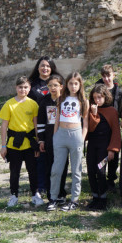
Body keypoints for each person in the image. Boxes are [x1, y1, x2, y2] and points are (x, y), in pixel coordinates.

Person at [47, 72, 89, 212]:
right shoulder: (61, 99)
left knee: (76, 169)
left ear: (80, 85)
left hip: (76, 135)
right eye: (70, 83)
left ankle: (74, 200)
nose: (73, 86)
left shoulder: (83, 101)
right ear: (66, 85)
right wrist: (55, 136)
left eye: (76, 83)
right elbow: (56, 120)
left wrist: (81, 139)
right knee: (56, 169)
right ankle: (53, 198)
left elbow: (85, 123)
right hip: (61, 135)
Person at [0, 76, 42, 207]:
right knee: (14, 171)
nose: (22, 89)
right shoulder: (9, 104)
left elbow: (36, 125)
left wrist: (38, 143)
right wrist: (3, 145)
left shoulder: (33, 104)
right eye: (20, 87)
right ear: (16, 88)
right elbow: (4, 126)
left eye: (25, 87)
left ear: (29, 89)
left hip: (29, 143)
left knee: (33, 170)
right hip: (14, 144)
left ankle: (35, 194)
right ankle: (14, 195)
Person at [28, 56, 61, 197]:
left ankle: (57, 186)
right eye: (42, 65)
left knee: (57, 158)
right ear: (38, 67)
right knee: (41, 157)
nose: (45, 68)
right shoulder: (32, 85)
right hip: (38, 123)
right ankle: (41, 186)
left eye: (48, 66)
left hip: (57, 125)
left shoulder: (59, 81)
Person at [86, 84, 121, 210]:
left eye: (99, 97)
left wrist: (112, 149)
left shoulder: (112, 111)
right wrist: (94, 114)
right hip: (92, 146)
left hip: (104, 147)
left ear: (105, 97)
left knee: (100, 171)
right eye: (95, 98)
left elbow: (116, 131)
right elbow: (89, 129)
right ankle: (95, 197)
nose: (97, 100)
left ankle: (103, 199)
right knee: (90, 171)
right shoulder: (91, 110)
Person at [36, 74, 68, 204]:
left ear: (61, 86)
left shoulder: (66, 100)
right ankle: (51, 195)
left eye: (55, 85)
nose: (52, 88)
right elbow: (41, 122)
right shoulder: (44, 101)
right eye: (50, 85)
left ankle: (61, 193)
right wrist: (41, 140)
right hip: (49, 140)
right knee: (50, 167)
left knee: (63, 167)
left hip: (64, 139)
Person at [96, 64, 122, 191]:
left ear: (114, 75)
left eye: (109, 76)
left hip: (114, 125)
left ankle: (111, 178)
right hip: (100, 125)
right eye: (104, 76)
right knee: (102, 152)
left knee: (114, 152)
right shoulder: (98, 88)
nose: (107, 79)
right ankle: (100, 176)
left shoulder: (118, 91)